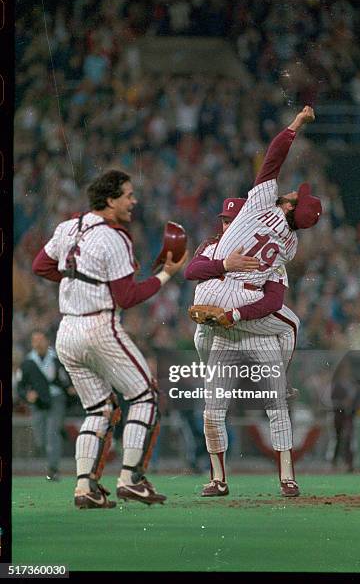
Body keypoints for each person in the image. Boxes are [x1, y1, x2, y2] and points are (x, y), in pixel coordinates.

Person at [32, 168, 187, 509]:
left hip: (67, 330)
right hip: (100, 327)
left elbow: (41, 266)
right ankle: (131, 478)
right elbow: (127, 297)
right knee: (145, 396)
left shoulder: (67, 227)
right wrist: (166, 274)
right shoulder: (115, 237)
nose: (134, 201)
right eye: (128, 195)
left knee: (99, 409)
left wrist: (78, 282)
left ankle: (85, 487)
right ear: (110, 199)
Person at [190, 106, 321, 497]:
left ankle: (230, 478)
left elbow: (272, 159)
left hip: (221, 298)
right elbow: (274, 297)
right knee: (288, 336)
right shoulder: (290, 246)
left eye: (297, 195)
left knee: (219, 401)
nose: (295, 190)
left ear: (287, 206)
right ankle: (271, 475)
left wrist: (295, 124)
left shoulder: (262, 203)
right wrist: (236, 312)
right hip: (244, 306)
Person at [184, 197, 300, 397]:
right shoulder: (213, 244)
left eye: (233, 221)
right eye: (225, 221)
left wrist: (238, 314)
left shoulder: (267, 252)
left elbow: (273, 301)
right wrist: (225, 265)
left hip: (245, 311)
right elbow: (190, 272)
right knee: (202, 334)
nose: (228, 226)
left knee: (289, 326)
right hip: (220, 310)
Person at [17, 330, 75, 481]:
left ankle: (53, 468)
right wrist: (27, 395)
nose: (38, 343)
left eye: (41, 340)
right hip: (38, 402)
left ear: (47, 341)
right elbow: (20, 386)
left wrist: (69, 388)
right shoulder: (28, 362)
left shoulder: (56, 359)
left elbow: (66, 377)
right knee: (40, 437)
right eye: (35, 340)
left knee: (52, 433)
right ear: (32, 343)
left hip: (56, 398)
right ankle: (57, 440)